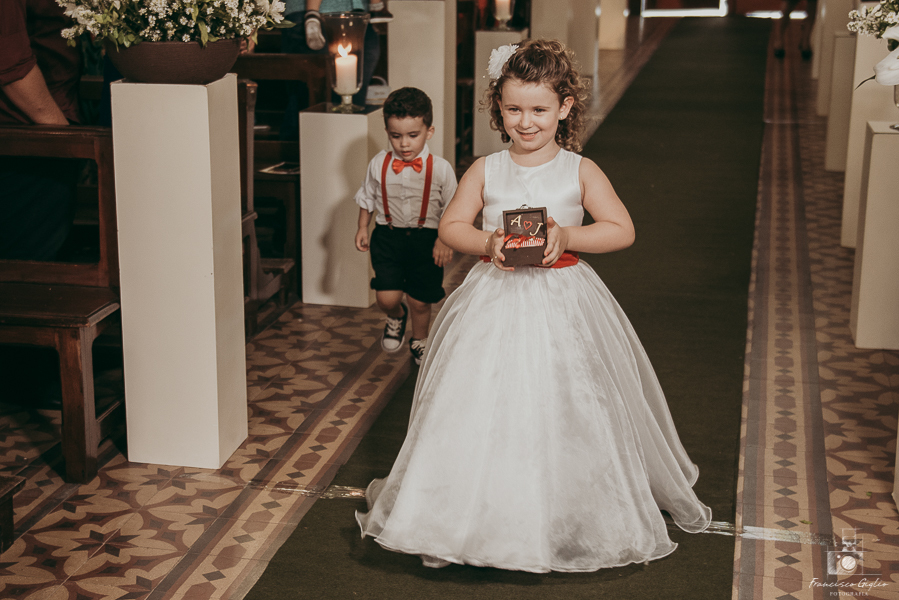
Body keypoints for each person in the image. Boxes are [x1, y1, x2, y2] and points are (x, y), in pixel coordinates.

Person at [355, 39, 712, 572]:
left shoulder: (580, 170)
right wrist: (488, 241)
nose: (526, 122)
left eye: (539, 110)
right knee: (479, 399)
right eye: (514, 109)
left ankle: (558, 506)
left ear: (564, 107)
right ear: (498, 108)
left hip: (562, 298)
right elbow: (451, 226)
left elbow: (621, 229)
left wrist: (568, 235)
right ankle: (458, 514)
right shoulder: (486, 168)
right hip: (493, 297)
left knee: (561, 399)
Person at [354, 87, 457, 365]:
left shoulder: (441, 168)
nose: (404, 144)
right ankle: (396, 315)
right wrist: (363, 227)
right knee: (386, 297)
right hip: (388, 238)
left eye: (413, 135)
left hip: (427, 240)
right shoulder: (379, 164)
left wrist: (444, 240)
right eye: (396, 136)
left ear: (429, 131)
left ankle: (419, 340)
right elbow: (367, 197)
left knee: (421, 300)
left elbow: (453, 207)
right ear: (387, 132)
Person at [0, 0, 81, 260]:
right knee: (27, 267)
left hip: (42, 132)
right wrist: (64, 138)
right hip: (27, 139)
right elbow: (10, 63)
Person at [280, 0, 385, 139]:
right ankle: (303, 151)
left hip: (359, 12)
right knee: (312, 106)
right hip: (309, 14)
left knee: (354, 101)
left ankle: (345, 148)